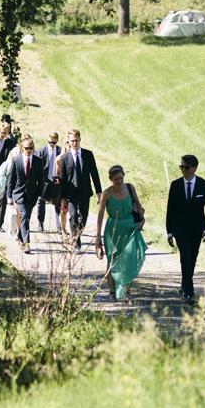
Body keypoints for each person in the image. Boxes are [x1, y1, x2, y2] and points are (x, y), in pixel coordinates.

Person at [165, 154, 205, 303]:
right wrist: (169, 232)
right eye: (182, 167)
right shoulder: (175, 185)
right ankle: (189, 292)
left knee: (192, 258)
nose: (184, 170)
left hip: (197, 228)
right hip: (180, 228)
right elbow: (170, 210)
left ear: (195, 168)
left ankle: (184, 285)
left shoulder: (204, 185)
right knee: (185, 256)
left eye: (186, 167)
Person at [95, 165, 147, 302]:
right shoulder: (106, 194)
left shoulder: (130, 188)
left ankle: (126, 292)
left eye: (121, 178)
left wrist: (142, 220)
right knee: (112, 261)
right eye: (116, 179)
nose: (119, 181)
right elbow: (100, 215)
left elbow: (138, 203)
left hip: (129, 227)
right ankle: (112, 292)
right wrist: (98, 236)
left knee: (128, 260)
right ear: (110, 179)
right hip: (113, 229)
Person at [55, 129, 102, 250]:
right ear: (68, 142)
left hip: (84, 191)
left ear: (80, 140)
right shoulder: (64, 158)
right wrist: (62, 197)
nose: (74, 143)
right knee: (73, 216)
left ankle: (76, 236)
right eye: (72, 141)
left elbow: (94, 174)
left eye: (76, 140)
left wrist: (99, 192)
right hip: (71, 193)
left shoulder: (88, 155)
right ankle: (76, 243)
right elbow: (63, 179)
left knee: (83, 217)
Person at [6, 135, 44, 253]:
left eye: (31, 148)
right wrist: (9, 197)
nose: (29, 151)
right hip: (19, 194)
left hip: (32, 195)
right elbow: (11, 180)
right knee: (23, 215)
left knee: (26, 217)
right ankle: (27, 243)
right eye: (27, 148)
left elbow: (41, 180)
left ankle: (20, 235)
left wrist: (40, 194)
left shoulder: (38, 161)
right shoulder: (16, 160)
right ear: (22, 148)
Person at [36, 131, 62, 232]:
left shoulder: (60, 151)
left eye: (54, 143)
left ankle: (59, 226)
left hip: (55, 180)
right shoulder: (41, 151)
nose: (52, 144)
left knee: (57, 203)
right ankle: (40, 223)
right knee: (41, 202)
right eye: (50, 142)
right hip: (44, 180)